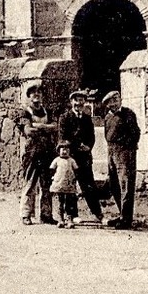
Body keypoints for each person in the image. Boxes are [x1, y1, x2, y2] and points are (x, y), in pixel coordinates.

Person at [57, 90, 104, 224]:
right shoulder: (65, 117)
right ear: (71, 102)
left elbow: (92, 136)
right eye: (76, 100)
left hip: (84, 156)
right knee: (70, 186)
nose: (79, 103)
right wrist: (76, 145)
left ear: (85, 102)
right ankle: (72, 214)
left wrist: (88, 146)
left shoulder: (87, 118)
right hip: (71, 156)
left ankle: (98, 213)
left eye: (81, 100)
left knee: (89, 185)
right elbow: (63, 137)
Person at [18, 82, 57, 225]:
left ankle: (46, 214)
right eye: (34, 93)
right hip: (32, 152)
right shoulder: (25, 112)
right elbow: (28, 130)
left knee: (47, 184)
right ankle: (26, 214)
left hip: (47, 151)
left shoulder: (48, 111)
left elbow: (55, 127)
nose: (37, 95)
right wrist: (46, 128)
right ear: (29, 96)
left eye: (39, 93)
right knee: (30, 183)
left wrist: (38, 126)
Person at [102, 90, 140, 230]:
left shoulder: (128, 114)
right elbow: (107, 135)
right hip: (111, 151)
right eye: (111, 101)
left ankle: (126, 219)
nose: (114, 103)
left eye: (116, 99)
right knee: (114, 184)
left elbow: (135, 134)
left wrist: (126, 148)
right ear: (108, 104)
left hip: (124, 152)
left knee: (126, 184)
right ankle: (122, 214)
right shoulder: (108, 117)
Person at [49, 142, 80, 228]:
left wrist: (74, 179)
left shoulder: (71, 161)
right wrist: (52, 177)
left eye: (67, 149)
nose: (65, 152)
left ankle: (69, 220)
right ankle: (60, 220)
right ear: (59, 151)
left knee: (69, 203)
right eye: (62, 150)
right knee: (59, 202)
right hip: (59, 185)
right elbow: (51, 169)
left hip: (69, 186)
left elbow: (76, 170)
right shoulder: (57, 160)